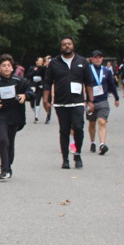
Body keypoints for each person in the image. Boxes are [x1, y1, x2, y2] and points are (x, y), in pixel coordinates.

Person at [42, 37, 94, 169]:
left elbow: (89, 82)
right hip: (61, 103)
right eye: (64, 44)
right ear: (61, 47)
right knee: (64, 130)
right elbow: (48, 82)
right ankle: (65, 158)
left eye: (69, 44)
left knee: (78, 127)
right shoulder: (54, 63)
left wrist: (90, 100)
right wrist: (45, 99)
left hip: (78, 102)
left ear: (73, 46)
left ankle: (77, 154)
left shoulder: (82, 61)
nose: (67, 46)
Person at [0, 54, 27, 179]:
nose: (6, 68)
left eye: (8, 65)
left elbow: (29, 92)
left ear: (12, 67)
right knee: (2, 140)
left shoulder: (19, 81)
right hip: (1, 116)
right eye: (3, 65)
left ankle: (8, 164)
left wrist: (25, 96)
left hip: (15, 116)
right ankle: (5, 169)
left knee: (10, 142)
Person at [86, 50, 119, 155]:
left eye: (99, 57)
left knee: (102, 122)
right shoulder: (87, 70)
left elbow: (112, 85)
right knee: (92, 123)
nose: (98, 59)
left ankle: (102, 144)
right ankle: (92, 142)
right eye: (95, 57)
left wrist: (116, 97)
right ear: (91, 59)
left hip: (103, 101)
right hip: (91, 102)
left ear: (102, 59)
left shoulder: (106, 71)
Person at [24, 57, 46, 123]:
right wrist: (34, 71)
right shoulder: (32, 68)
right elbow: (28, 76)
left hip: (40, 86)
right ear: (36, 62)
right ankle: (35, 111)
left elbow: (45, 76)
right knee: (32, 102)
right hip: (33, 86)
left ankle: (36, 117)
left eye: (41, 61)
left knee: (38, 100)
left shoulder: (43, 69)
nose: (40, 62)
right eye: (39, 61)